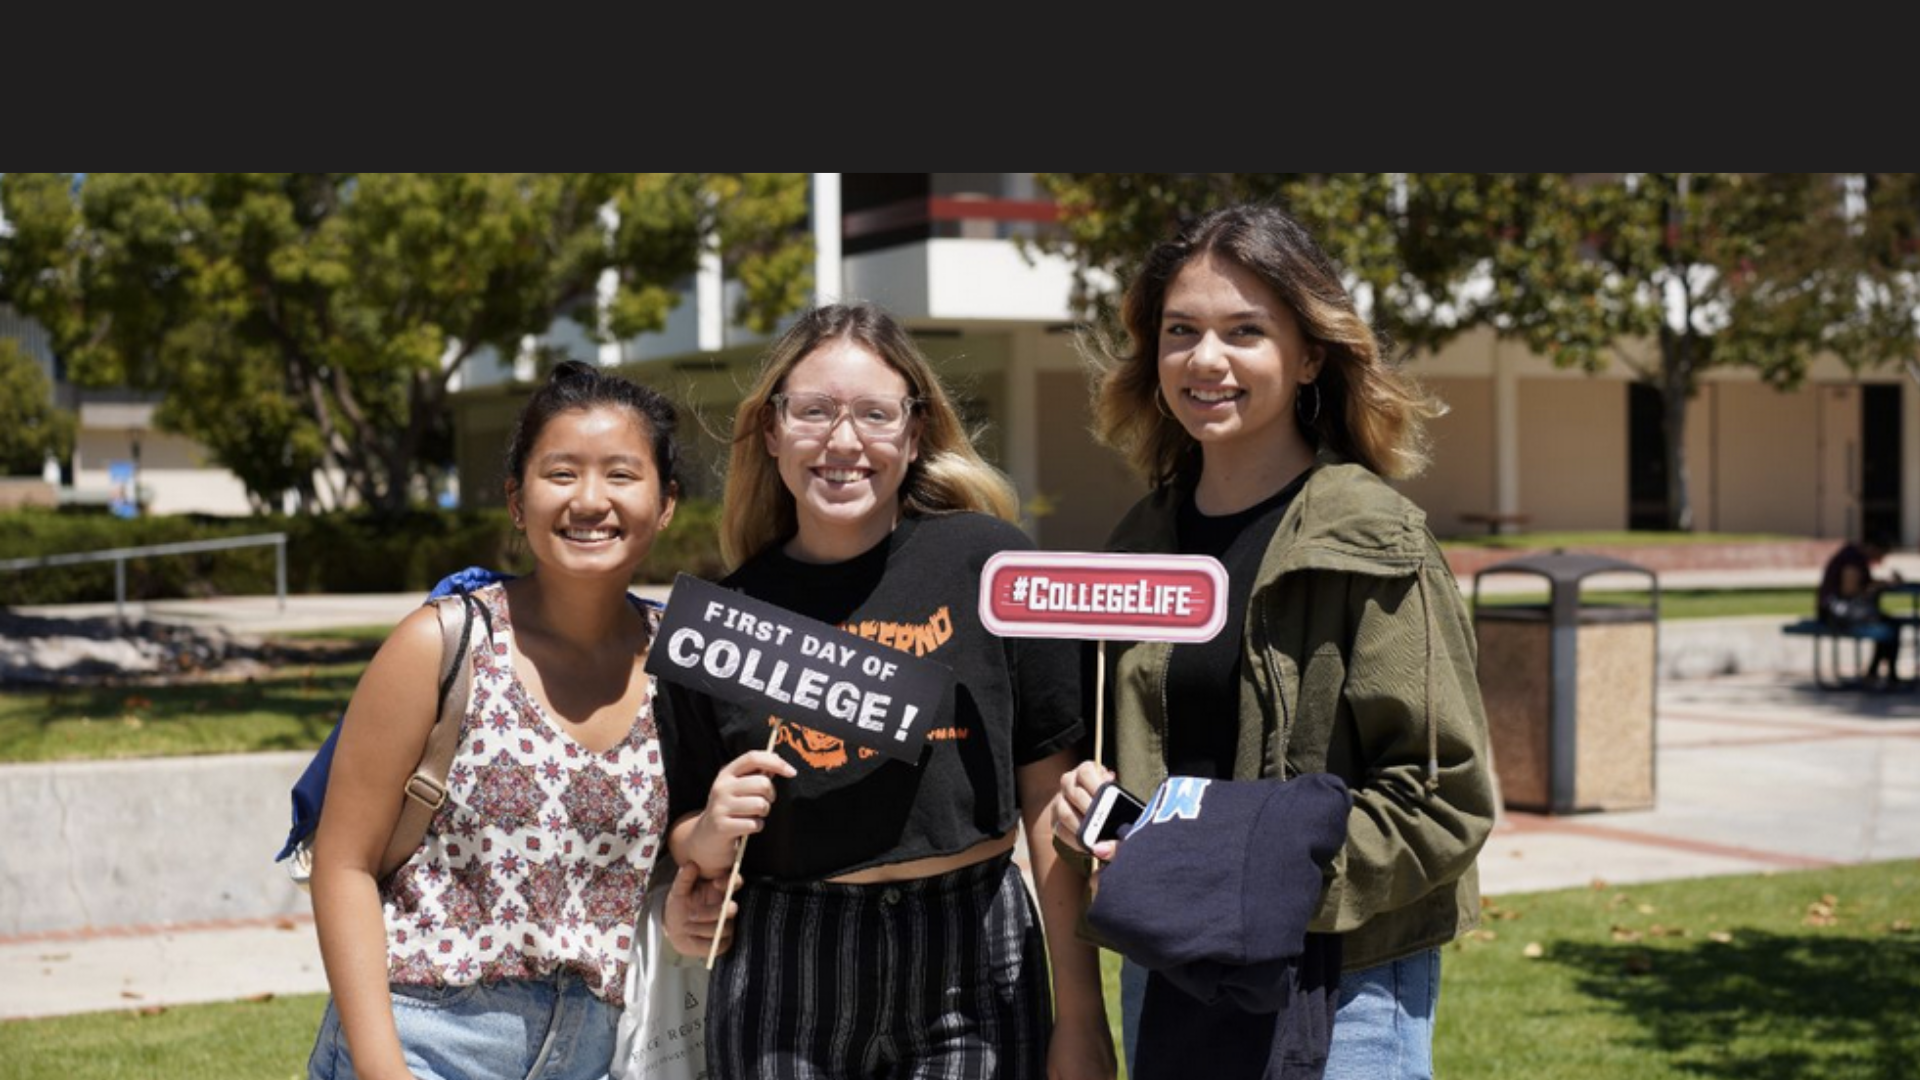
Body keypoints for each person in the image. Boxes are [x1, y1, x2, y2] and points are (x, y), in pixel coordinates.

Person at [1049, 204, 1499, 1080]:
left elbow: (1443, 800)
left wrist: (1250, 892)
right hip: (1169, 966)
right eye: (1181, 331)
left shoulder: (1377, 540)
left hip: (1342, 981)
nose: (1205, 360)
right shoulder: (1139, 545)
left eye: (1244, 331)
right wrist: (1094, 819)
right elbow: (1146, 790)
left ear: (1309, 356)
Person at [658, 302, 1113, 1080]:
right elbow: (683, 830)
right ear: (771, 431)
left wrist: (1081, 1019)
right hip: (786, 966)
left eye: (874, 414)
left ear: (913, 432)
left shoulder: (990, 566)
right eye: (813, 412)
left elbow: (1050, 802)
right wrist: (702, 843)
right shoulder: (723, 621)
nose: (843, 441)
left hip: (971, 955)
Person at [307, 361, 682, 1080]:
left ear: (665, 504)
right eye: (562, 473)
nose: (590, 500)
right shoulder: (443, 643)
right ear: (517, 501)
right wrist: (383, 1070)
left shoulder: (684, 663)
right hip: (428, 1042)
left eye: (623, 476)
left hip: (605, 1049)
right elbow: (343, 862)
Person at [1817, 533, 1903, 687]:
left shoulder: (1855, 556)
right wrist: (1881, 586)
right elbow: (1850, 590)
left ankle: (1878, 673)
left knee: (1889, 625)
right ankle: (1885, 676)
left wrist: (1882, 583)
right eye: (1881, 554)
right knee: (1889, 627)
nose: (1881, 559)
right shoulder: (1853, 559)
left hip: (1840, 610)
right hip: (1837, 613)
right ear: (1871, 548)